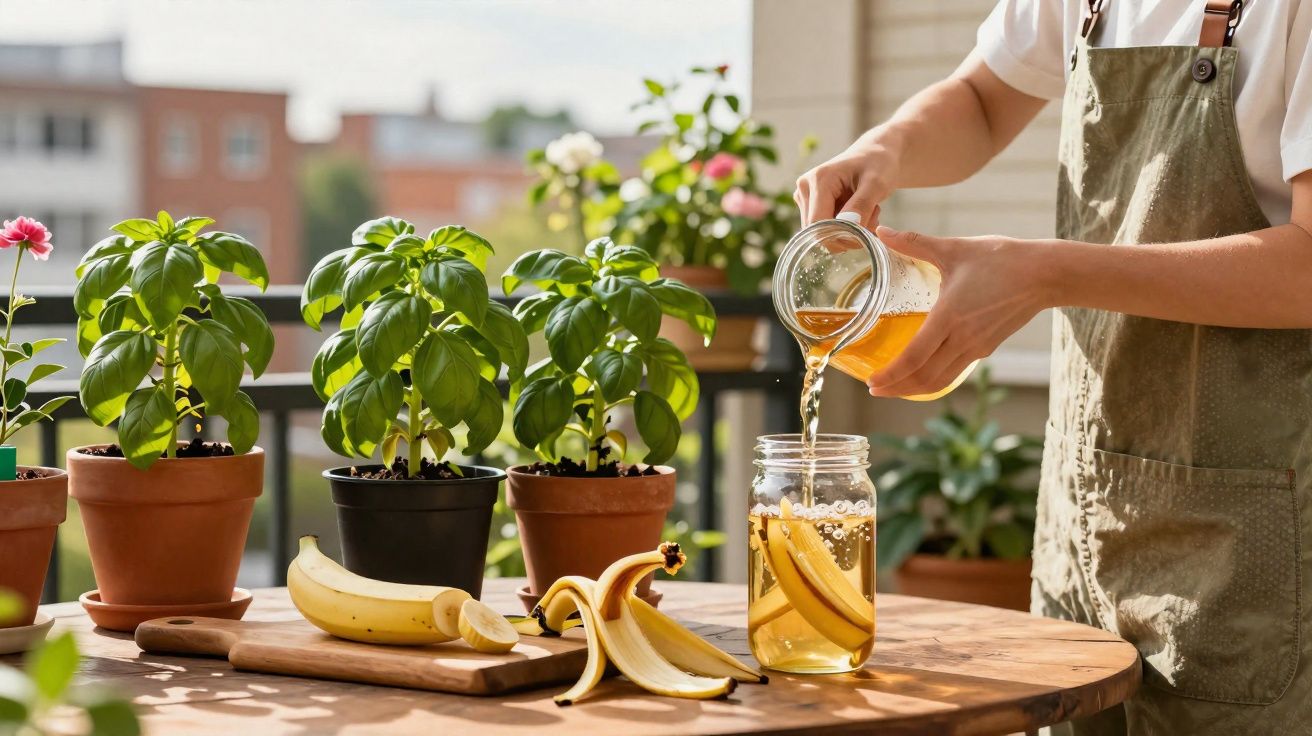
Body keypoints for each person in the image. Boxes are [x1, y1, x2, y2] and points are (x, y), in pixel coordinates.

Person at [796, 1, 1312, 733]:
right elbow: (981, 100)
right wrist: (886, 149)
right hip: (1086, 516)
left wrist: (1043, 273)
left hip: (1256, 549)